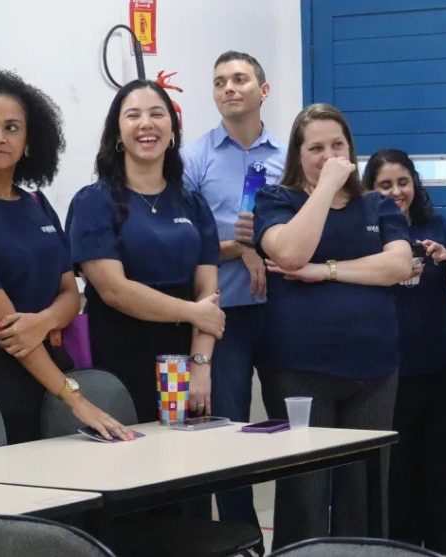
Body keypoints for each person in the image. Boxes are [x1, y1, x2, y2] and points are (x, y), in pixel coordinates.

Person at [0, 70, 132, 444]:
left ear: (28, 141)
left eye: (11, 128)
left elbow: (70, 293)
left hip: (50, 364)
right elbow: (11, 331)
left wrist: (44, 321)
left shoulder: (38, 205)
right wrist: (75, 399)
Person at [254, 103, 411, 549]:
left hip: (374, 370)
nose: (329, 155)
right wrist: (324, 188)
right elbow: (290, 254)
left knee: (364, 490)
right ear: (298, 155)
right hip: (300, 372)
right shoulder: (276, 200)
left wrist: (326, 271)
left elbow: (398, 265)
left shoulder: (377, 205)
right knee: (305, 491)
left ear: (351, 148)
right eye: (316, 148)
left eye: (337, 145)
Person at [67, 79, 222, 424]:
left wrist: (200, 365)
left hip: (187, 353)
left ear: (172, 130)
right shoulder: (93, 202)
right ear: (117, 133)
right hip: (118, 353)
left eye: (157, 114)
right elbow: (114, 290)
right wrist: (191, 312)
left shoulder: (193, 204)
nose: (146, 124)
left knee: (189, 452)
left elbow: (208, 295)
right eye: (133, 115)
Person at [181, 50, 284, 541]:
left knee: (296, 428)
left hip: (285, 311)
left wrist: (262, 247)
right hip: (224, 317)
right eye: (220, 81)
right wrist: (238, 248)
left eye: (240, 79)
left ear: (263, 91)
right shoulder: (194, 159)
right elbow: (183, 241)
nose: (229, 88)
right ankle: (244, 541)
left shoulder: (288, 156)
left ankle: (299, 538)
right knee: (229, 431)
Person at [363, 149, 446, 557]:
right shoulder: (364, 233)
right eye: (385, 185)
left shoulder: (435, 226)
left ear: (415, 183)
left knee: (445, 458)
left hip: (441, 365)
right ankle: (402, 546)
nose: (396, 191)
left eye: (403, 182)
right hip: (387, 373)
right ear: (370, 189)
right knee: (398, 464)